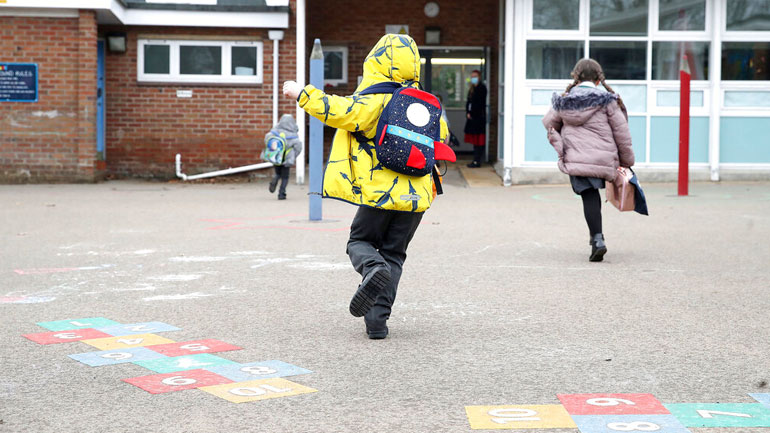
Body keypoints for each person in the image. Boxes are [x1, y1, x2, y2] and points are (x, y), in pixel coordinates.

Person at [282, 34, 449, 339]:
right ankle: (377, 323)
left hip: (378, 192)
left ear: (377, 61)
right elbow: (442, 138)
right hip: (416, 197)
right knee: (395, 256)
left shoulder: (374, 99)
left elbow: (339, 111)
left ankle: (371, 268)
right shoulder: (426, 103)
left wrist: (301, 93)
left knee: (359, 242)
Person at [542, 58, 634, 262]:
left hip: (576, 156)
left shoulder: (564, 100)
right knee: (593, 196)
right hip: (602, 156)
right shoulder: (608, 100)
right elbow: (622, 132)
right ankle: (596, 238)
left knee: (588, 196)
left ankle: (598, 239)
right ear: (598, 80)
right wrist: (627, 161)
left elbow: (548, 123)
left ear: (575, 77)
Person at [265, 114, 302, 200]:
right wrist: (293, 156)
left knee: (278, 173)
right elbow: (298, 147)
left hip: (276, 157)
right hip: (287, 159)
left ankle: (275, 178)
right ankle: (282, 194)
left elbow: (267, 139)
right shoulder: (293, 135)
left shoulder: (274, 132)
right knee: (285, 177)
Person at [464, 69, 487, 168]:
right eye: (472, 76)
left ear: (479, 77)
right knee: (474, 140)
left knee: (479, 140)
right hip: (472, 118)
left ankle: (477, 160)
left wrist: (472, 112)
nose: (473, 78)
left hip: (478, 118)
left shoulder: (482, 88)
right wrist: (468, 112)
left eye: (475, 76)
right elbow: (469, 102)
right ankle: (475, 159)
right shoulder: (471, 89)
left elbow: (479, 104)